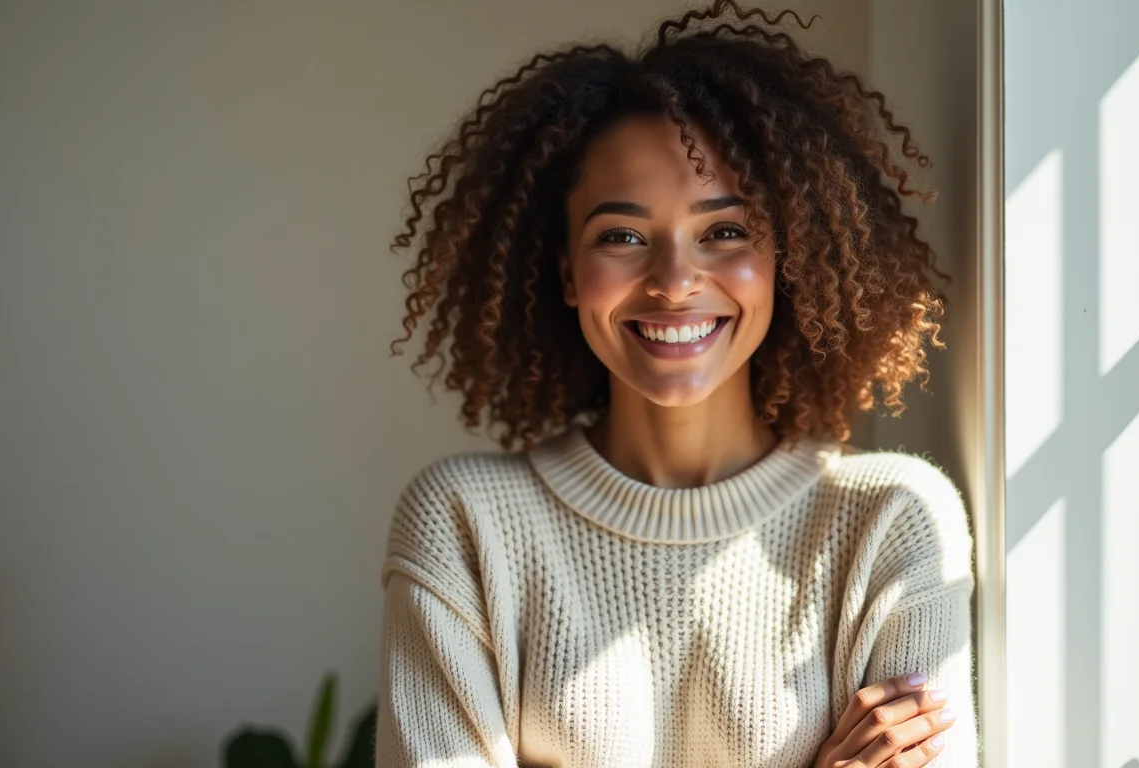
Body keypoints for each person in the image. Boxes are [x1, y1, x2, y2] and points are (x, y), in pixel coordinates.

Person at [376, 2, 978, 766]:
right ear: (567, 272)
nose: (672, 281)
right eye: (622, 237)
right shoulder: (462, 526)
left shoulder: (890, 521)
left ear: (785, 256)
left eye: (724, 231)